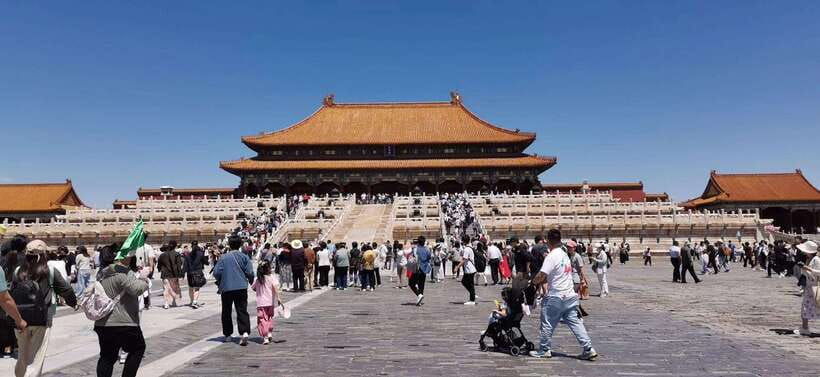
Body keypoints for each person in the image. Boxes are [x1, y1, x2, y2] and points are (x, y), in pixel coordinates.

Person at [12, 240, 78, 377]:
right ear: (43, 254)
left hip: (20, 318)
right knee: (36, 358)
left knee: (22, 355)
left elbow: (12, 292)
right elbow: (66, 290)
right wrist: (74, 303)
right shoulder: (49, 270)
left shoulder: (19, 270)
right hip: (42, 319)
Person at [529, 229, 597, 360]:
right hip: (570, 295)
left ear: (548, 240)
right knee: (576, 323)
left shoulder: (552, 256)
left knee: (547, 322)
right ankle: (588, 348)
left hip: (556, 296)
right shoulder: (565, 254)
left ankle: (544, 349)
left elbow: (542, 274)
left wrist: (533, 282)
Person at [94, 243, 150, 377]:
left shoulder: (101, 273)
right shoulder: (123, 272)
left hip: (103, 323)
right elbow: (137, 289)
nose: (130, 256)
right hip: (124, 322)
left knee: (107, 357)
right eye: (127, 253)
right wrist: (143, 277)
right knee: (138, 349)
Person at [213, 236, 255, 346]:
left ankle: (227, 335)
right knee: (242, 310)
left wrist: (221, 280)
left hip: (226, 288)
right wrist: (250, 281)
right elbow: (250, 272)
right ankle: (244, 332)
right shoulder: (244, 257)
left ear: (229, 245)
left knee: (226, 311)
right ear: (240, 244)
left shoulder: (223, 257)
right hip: (241, 287)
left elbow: (216, 272)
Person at [251, 261, 280, 345]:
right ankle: (270, 332)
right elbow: (275, 287)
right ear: (268, 269)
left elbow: (253, 288)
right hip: (270, 302)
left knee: (262, 319)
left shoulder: (258, 279)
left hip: (261, 303)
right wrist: (278, 298)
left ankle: (265, 337)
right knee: (270, 317)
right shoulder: (271, 277)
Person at [798, 241, 820, 336]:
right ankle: (804, 327)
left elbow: (818, 272)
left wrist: (808, 269)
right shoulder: (809, 259)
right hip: (809, 287)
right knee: (805, 308)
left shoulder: (816, 260)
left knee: (815, 307)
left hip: (815, 287)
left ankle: (805, 328)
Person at [157, 243, 184, 309]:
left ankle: (166, 303)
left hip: (165, 274)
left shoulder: (162, 255)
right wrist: (180, 273)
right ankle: (174, 301)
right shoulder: (176, 254)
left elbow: (159, 265)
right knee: (173, 287)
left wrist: (159, 269)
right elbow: (179, 264)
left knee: (166, 288)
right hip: (174, 274)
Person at [408, 237, 432, 305]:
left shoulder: (416, 249)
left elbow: (415, 258)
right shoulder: (427, 249)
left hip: (417, 269)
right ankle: (419, 300)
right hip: (424, 269)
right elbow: (429, 257)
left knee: (411, 283)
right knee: (421, 285)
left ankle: (419, 295)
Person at [184, 242, 208, 309]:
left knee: (190, 288)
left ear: (191, 246)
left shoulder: (187, 255)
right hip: (198, 273)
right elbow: (206, 262)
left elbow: (185, 266)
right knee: (197, 288)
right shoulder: (200, 254)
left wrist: (182, 273)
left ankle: (191, 301)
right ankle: (194, 301)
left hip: (190, 273)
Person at [456, 236, 477, 305]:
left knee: (469, 284)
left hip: (469, 269)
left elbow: (464, 260)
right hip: (469, 269)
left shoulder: (467, 249)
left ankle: (472, 300)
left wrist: (457, 267)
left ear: (464, 241)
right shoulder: (468, 248)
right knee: (465, 282)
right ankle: (473, 295)